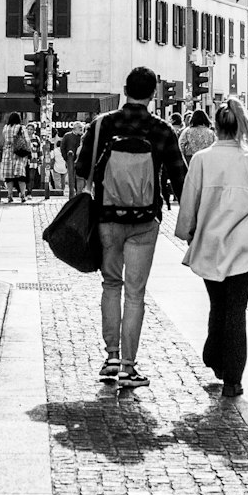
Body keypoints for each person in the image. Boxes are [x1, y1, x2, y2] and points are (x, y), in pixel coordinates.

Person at [75, 66, 187, 389]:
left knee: (111, 285)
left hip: (107, 218)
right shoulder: (162, 130)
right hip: (144, 222)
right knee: (135, 294)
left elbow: (82, 167)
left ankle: (110, 357)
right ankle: (128, 366)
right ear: (153, 94)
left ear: (125, 90)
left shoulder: (102, 126)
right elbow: (181, 179)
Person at [174, 103, 248, 397]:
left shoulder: (200, 160)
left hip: (211, 239)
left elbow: (189, 201)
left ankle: (215, 355)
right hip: (245, 241)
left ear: (216, 128)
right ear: (240, 127)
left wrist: (187, 232)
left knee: (218, 302)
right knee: (237, 307)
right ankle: (233, 377)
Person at [0, 111, 32, 202]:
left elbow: (4, 140)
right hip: (19, 154)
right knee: (21, 175)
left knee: (9, 176)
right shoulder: (21, 127)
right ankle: (22, 194)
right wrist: (28, 150)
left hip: (7, 153)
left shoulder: (5, 128)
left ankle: (9, 194)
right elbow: (27, 140)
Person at [60, 123, 82, 198]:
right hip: (70, 159)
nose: (81, 129)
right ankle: (72, 194)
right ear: (75, 128)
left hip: (79, 160)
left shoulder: (81, 137)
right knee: (71, 177)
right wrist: (65, 158)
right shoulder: (67, 136)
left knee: (78, 177)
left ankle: (77, 192)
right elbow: (62, 147)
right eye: (80, 128)